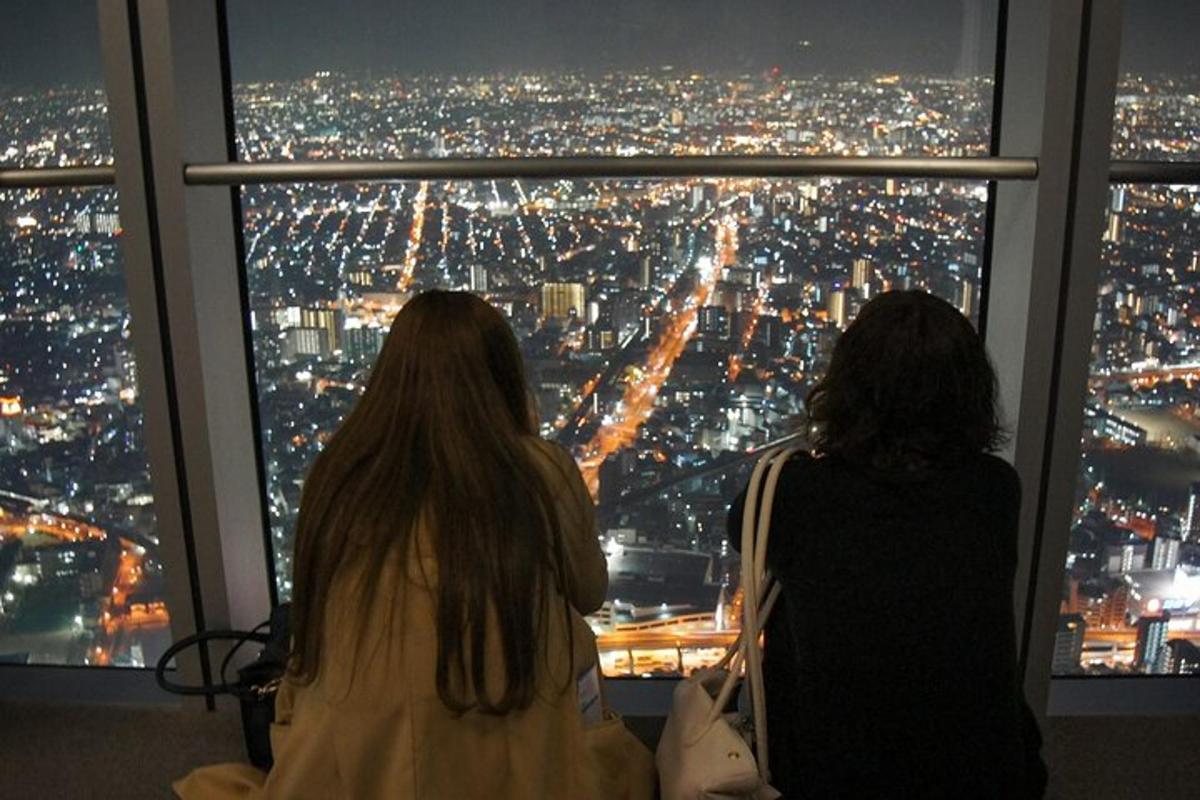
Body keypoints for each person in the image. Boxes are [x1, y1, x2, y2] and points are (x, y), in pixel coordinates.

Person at [175, 290, 653, 799]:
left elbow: (310, 624)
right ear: (502, 379)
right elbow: (588, 591)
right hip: (516, 733)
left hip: (362, 744)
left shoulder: (340, 475)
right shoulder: (540, 471)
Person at [728, 290, 1047, 798]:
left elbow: (742, 529)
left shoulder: (797, 493)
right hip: (979, 774)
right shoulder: (993, 490)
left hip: (830, 773)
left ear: (846, 387)